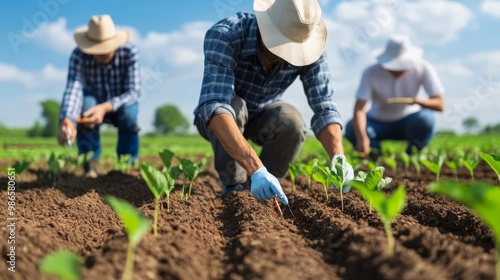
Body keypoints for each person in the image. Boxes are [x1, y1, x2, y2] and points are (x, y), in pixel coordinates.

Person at [193, 0, 354, 205]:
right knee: (236, 106)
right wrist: (256, 168)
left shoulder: (311, 49)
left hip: (264, 117)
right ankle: (235, 189)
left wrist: (338, 158)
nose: (286, 57)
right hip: (223, 118)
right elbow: (215, 106)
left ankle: (267, 191)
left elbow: (324, 106)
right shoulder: (226, 34)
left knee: (292, 120)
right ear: (264, 24)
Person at [57, 15, 141, 178]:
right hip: (92, 99)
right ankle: (91, 164)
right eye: (97, 49)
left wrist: (105, 107)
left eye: (106, 47)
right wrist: (67, 119)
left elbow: (133, 91)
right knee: (86, 111)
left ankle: (126, 165)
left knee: (129, 117)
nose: (102, 52)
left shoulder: (130, 52)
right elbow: (74, 88)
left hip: (121, 101)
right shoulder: (78, 55)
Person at [345, 35, 445, 156]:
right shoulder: (370, 73)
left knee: (426, 119)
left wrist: (416, 101)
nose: (397, 70)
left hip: (409, 121)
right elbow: (359, 109)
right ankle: (374, 154)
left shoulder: (423, 68)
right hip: (376, 123)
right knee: (352, 127)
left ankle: (411, 156)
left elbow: (439, 104)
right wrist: (362, 138)